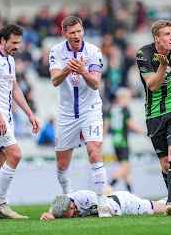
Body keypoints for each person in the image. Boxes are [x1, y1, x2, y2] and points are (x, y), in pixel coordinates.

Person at [49, 16, 111, 218]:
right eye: (72, 32)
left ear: (83, 30)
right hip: (67, 112)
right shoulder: (56, 51)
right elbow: (55, 81)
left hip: (90, 109)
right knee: (61, 165)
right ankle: (68, 199)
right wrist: (68, 67)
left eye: (79, 31)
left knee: (94, 152)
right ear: (64, 34)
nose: (76, 35)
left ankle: (102, 205)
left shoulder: (93, 51)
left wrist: (83, 70)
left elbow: (95, 84)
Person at [0, 23, 40, 219]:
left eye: (19, 43)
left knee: (4, 159)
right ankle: (1, 203)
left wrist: (30, 114)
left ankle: (2, 207)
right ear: (3, 40)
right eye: (14, 42)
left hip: (5, 115)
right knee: (16, 154)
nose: (17, 46)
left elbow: (15, 89)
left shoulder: (10, 60)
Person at [136, 20, 171, 216]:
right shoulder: (143, 54)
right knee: (166, 164)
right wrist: (163, 66)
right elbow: (152, 85)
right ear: (156, 38)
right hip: (154, 115)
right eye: (167, 34)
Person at [103, 87, 146, 192]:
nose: (129, 100)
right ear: (122, 98)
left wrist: (102, 138)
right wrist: (144, 133)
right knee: (125, 167)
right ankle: (109, 186)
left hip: (115, 141)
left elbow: (106, 126)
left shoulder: (111, 109)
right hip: (123, 141)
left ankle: (130, 192)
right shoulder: (124, 110)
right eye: (128, 98)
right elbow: (131, 125)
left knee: (125, 168)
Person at [40, 190, 171, 220]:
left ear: (72, 207)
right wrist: (48, 216)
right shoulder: (60, 204)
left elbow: (108, 212)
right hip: (116, 198)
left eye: (67, 217)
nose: (66, 219)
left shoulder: (85, 198)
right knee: (156, 205)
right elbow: (52, 213)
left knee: (167, 210)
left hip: (123, 204)